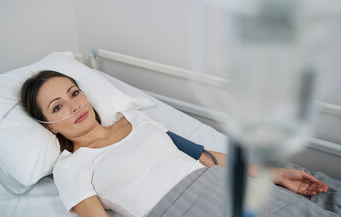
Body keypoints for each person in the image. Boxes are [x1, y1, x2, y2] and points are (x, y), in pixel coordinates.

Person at [20, 70, 340, 217]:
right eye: (57, 107)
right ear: (49, 128)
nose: (74, 106)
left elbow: (204, 156)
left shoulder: (136, 121)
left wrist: (277, 174)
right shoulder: (71, 168)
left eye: (74, 93)